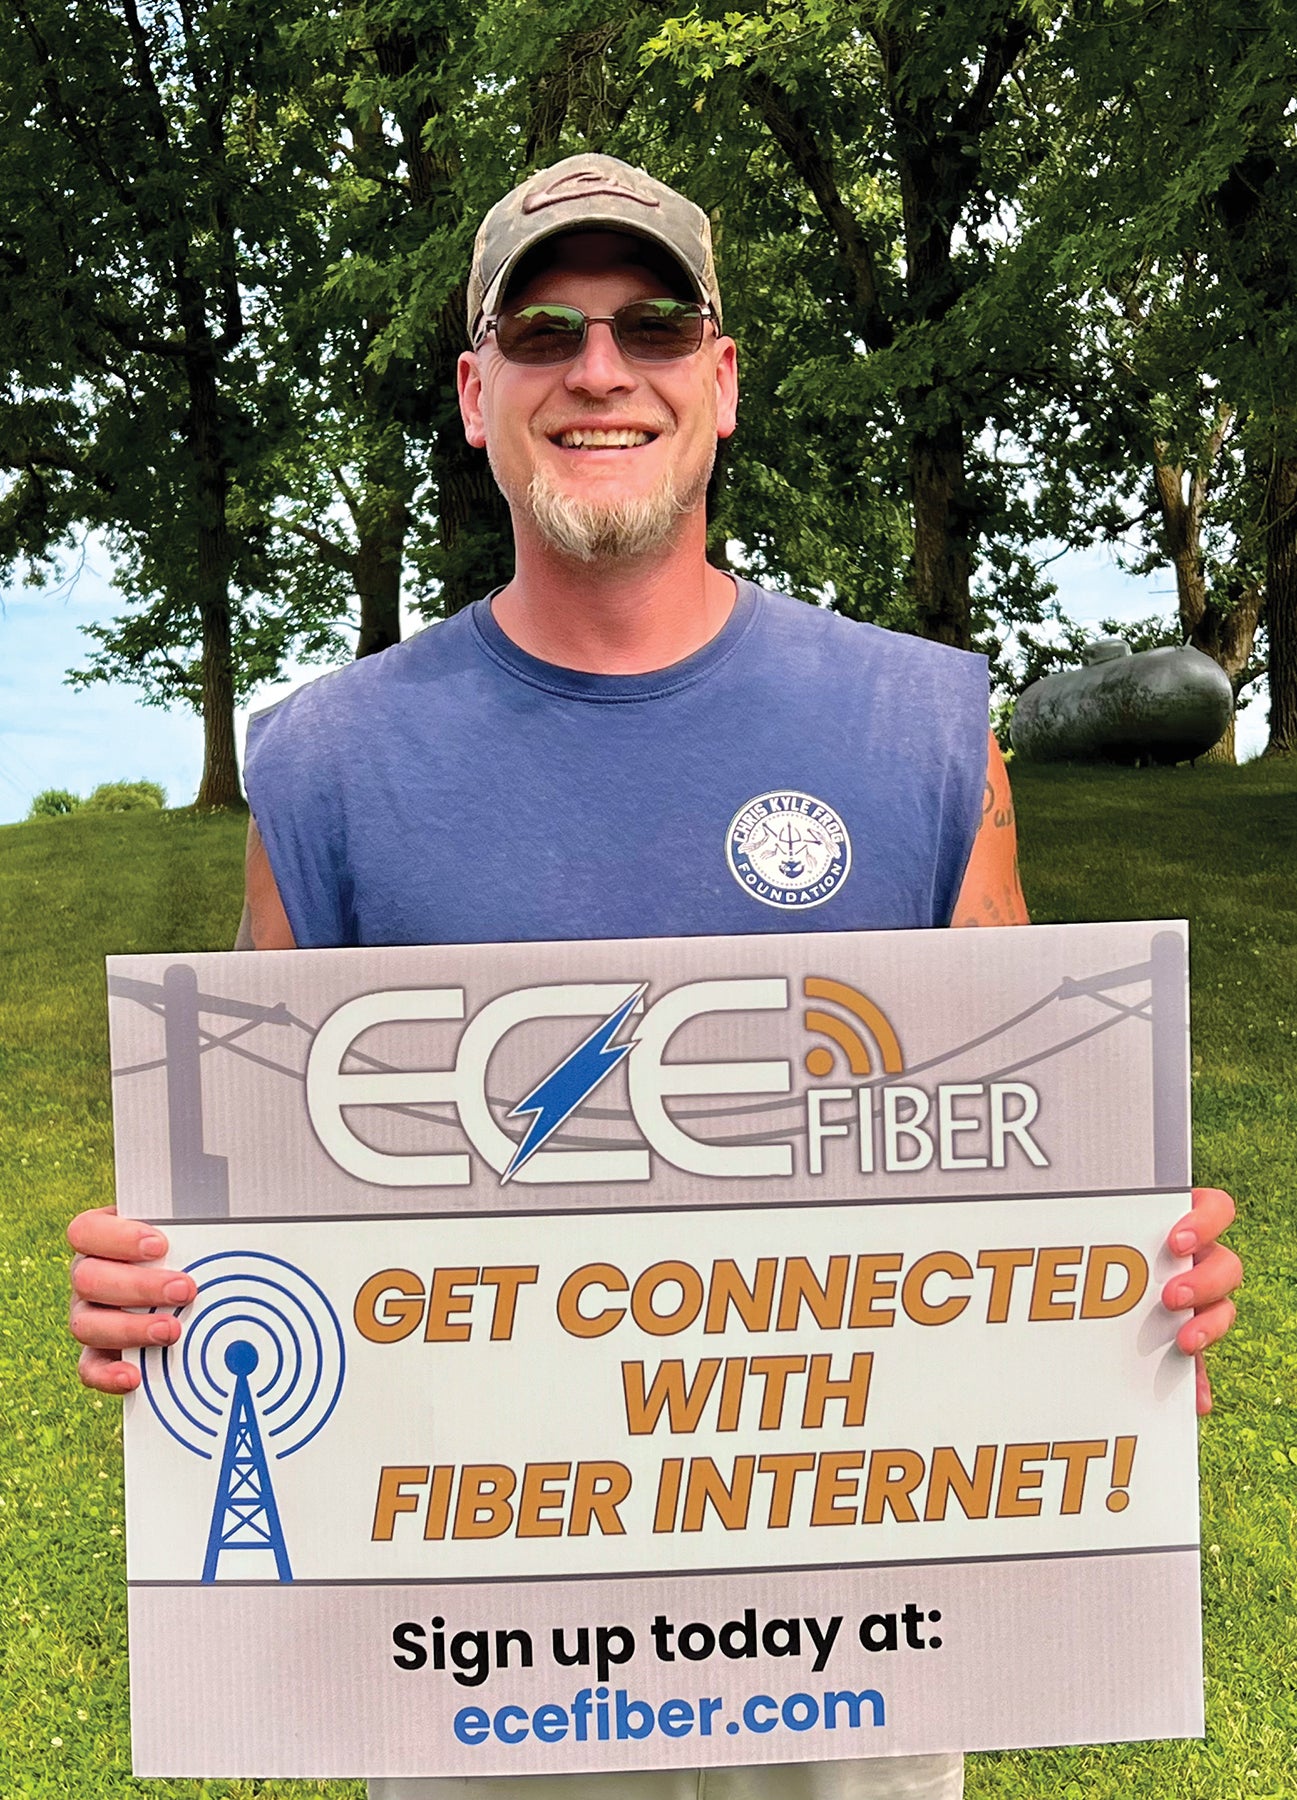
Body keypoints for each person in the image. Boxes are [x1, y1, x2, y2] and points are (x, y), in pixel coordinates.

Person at [68, 155, 1241, 1800]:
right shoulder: (325, 762)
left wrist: (1126, 1281)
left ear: (722, 378)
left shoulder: (917, 730)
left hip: (850, 1672)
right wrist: (165, 1298)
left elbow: (1030, 1176)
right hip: (474, 1679)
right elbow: (267, 1212)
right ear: (479, 393)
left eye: (652, 324)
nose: (598, 370)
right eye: (543, 331)